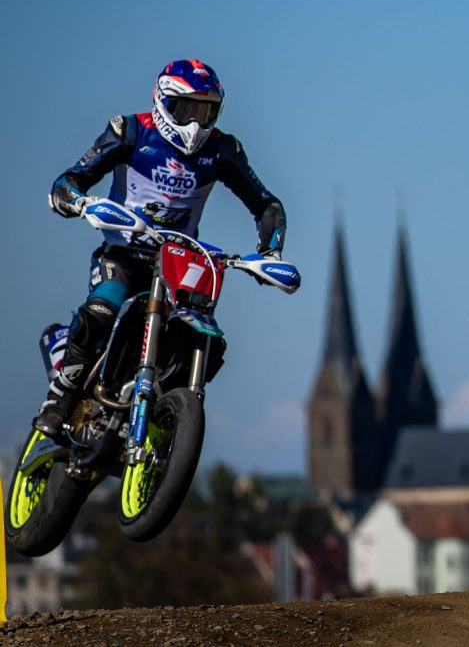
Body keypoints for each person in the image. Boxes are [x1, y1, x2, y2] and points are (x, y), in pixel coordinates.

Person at [33, 59, 287, 441]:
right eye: (187, 109)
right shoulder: (130, 131)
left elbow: (267, 205)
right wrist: (79, 203)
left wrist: (270, 252)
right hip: (123, 253)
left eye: (206, 111)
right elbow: (69, 180)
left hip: (178, 264)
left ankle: (164, 415)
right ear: (163, 102)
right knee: (103, 308)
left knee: (205, 335)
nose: (196, 123)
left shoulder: (223, 150)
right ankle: (59, 400)